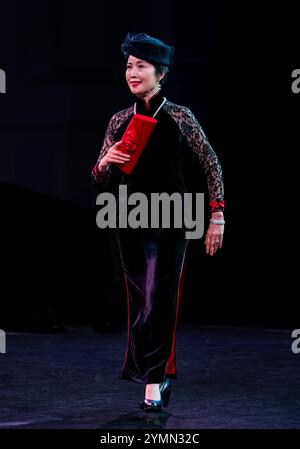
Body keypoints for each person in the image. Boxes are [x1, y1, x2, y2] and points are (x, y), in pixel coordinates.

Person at [91, 32, 225, 412]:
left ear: (160, 73)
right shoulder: (120, 119)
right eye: (129, 66)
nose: (132, 73)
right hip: (130, 217)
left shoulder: (180, 116)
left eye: (141, 66)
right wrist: (105, 162)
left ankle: (154, 383)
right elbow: (98, 176)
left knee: (160, 299)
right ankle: (156, 375)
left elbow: (211, 163)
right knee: (139, 300)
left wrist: (217, 215)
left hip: (173, 216)